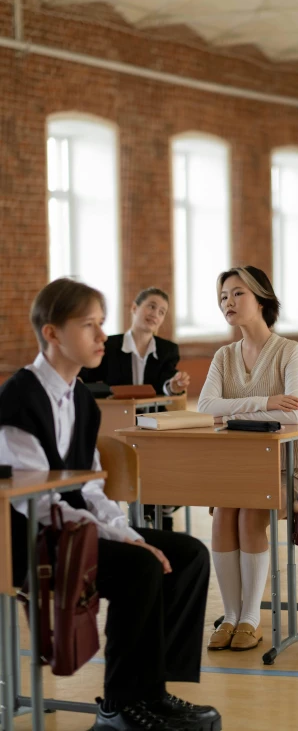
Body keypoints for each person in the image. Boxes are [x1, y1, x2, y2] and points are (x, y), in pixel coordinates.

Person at [0, 278, 220, 731]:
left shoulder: (83, 399)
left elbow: (90, 490)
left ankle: (151, 692)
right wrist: (126, 542)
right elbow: (39, 501)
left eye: (102, 324)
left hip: (69, 527)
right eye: (89, 326)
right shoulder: (19, 399)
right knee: (138, 567)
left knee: (189, 554)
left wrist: (128, 533)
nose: (103, 336)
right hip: (27, 539)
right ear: (53, 334)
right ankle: (119, 707)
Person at [198, 266, 298, 652]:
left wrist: (229, 414)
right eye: (223, 296)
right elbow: (205, 408)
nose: (228, 302)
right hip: (234, 466)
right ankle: (230, 616)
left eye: (237, 293)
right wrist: (263, 403)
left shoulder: (290, 351)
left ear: (261, 297)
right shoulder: (223, 356)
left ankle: (250, 618)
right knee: (224, 514)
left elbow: (294, 415)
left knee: (247, 514)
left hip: (281, 465)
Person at [81, 286, 190, 529]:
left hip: (153, 429)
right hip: (116, 429)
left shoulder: (167, 349)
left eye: (162, 311)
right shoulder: (109, 346)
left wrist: (174, 385)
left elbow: (167, 384)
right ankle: (132, 519)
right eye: (151, 306)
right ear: (134, 308)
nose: (155, 314)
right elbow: (87, 378)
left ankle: (160, 513)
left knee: (169, 465)